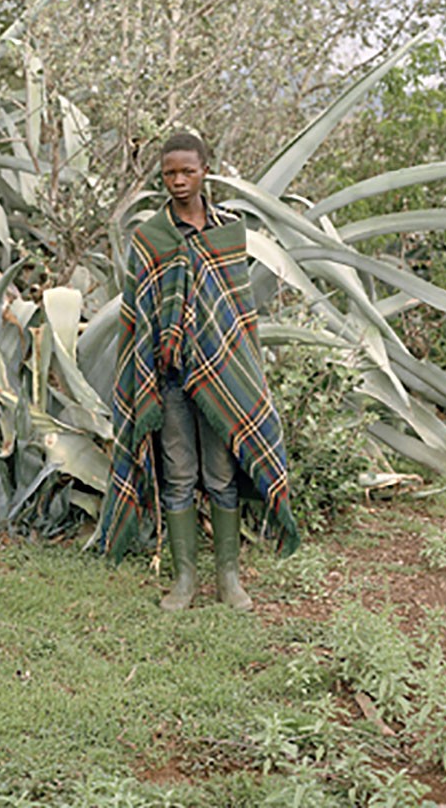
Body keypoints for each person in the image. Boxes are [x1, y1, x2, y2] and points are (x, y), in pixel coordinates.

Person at [100, 131, 299, 610]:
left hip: (221, 378)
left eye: (187, 171)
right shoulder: (150, 238)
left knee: (221, 474)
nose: (178, 181)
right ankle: (185, 579)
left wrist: (236, 370)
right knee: (179, 475)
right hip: (167, 379)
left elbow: (237, 317)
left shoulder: (229, 232)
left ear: (205, 169)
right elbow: (138, 315)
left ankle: (228, 578)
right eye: (169, 173)